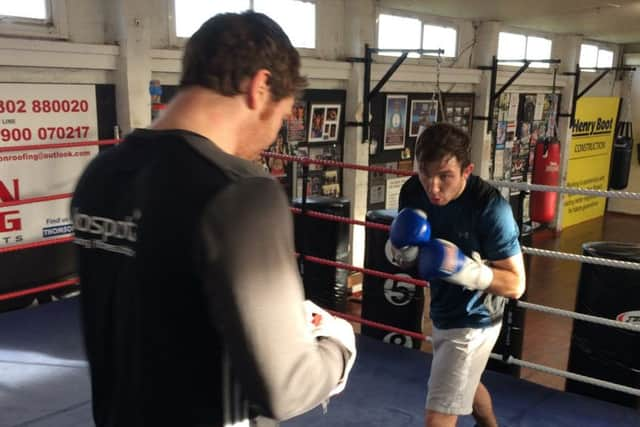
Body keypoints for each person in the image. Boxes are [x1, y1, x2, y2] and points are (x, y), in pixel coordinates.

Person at [71, 12, 356, 427]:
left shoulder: (99, 175)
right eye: (281, 116)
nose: (273, 136)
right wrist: (337, 346)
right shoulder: (239, 191)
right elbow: (287, 387)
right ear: (259, 87)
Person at [386, 123, 526, 427]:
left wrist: (466, 270)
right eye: (425, 173)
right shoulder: (413, 191)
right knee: (467, 386)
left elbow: (516, 284)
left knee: (439, 416)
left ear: (467, 171)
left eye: (445, 176)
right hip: (441, 309)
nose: (433, 187)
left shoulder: (490, 208)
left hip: (476, 319)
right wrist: (400, 250)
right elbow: (407, 255)